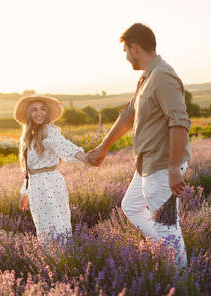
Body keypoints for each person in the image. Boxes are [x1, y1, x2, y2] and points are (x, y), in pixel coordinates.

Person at [87, 23, 191, 267]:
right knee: (132, 206)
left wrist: (174, 167)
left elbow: (179, 122)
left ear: (134, 48)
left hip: (163, 165)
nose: (125, 57)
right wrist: (103, 147)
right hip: (147, 164)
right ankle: (164, 252)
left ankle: (180, 281)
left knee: (167, 227)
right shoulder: (147, 77)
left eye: (125, 50)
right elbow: (128, 116)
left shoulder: (163, 76)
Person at [14, 95, 88, 243]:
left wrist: (87, 158)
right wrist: (25, 193)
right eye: (34, 109)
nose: (39, 113)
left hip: (50, 183)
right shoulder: (29, 135)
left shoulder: (49, 130)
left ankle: (63, 258)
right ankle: (55, 259)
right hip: (36, 186)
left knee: (55, 222)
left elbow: (66, 147)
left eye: (43, 109)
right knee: (44, 224)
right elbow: (30, 170)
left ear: (47, 113)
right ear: (28, 113)